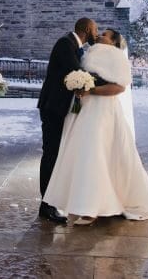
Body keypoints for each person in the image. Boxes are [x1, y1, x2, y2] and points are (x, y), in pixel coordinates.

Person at [43, 29, 148, 225]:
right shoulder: (89, 54)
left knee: (96, 154)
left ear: (113, 42)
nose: (99, 36)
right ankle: (83, 202)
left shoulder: (117, 57)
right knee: (83, 155)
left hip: (103, 112)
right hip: (85, 111)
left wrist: (93, 90)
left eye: (104, 35)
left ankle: (93, 208)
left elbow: (120, 87)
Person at [37, 17, 98, 224]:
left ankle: (49, 202)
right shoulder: (66, 44)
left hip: (59, 107)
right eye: (95, 30)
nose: (96, 34)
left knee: (55, 154)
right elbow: (77, 72)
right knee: (50, 155)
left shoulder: (73, 44)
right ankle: (45, 206)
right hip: (53, 107)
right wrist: (99, 81)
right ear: (87, 29)